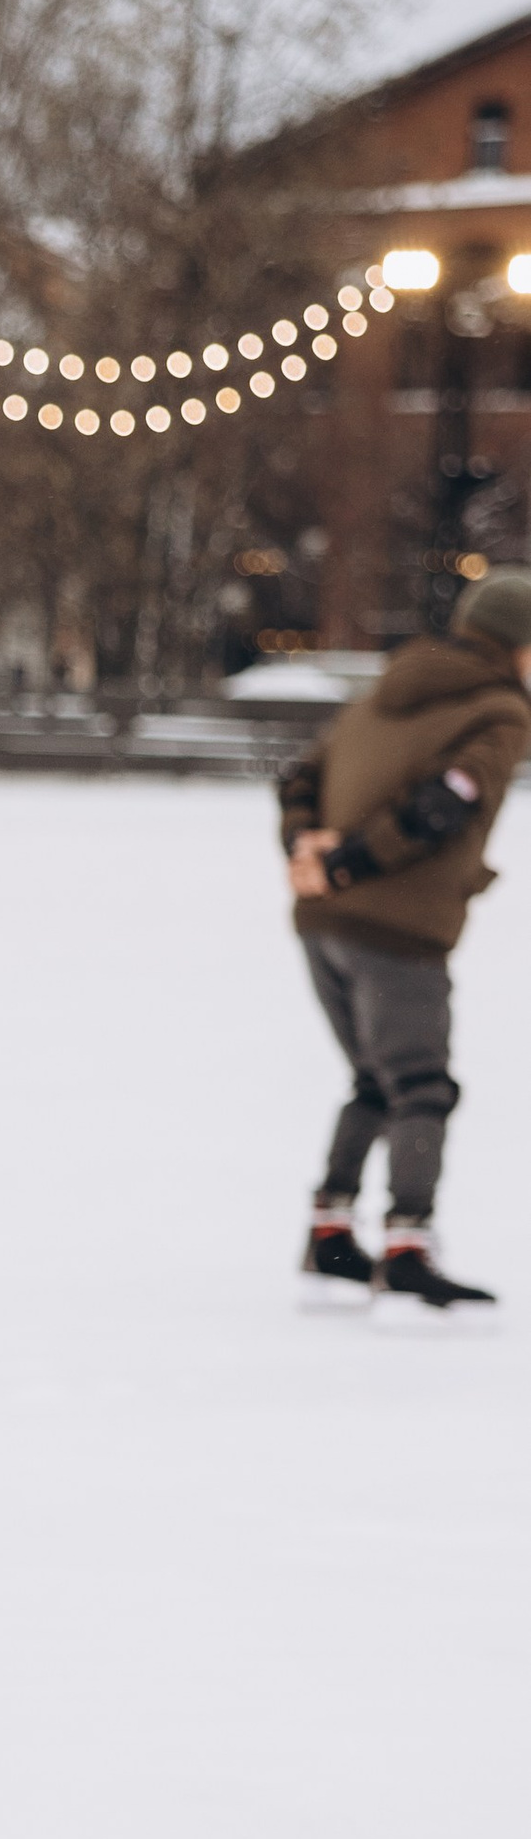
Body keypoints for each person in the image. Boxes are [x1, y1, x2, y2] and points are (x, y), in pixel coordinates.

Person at [281, 568, 531, 1327]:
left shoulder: (384, 690)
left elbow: (298, 777)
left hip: (322, 924)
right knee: (420, 1087)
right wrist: (352, 862)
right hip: (398, 928)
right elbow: (444, 805)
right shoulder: (500, 710)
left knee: (374, 1080)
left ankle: (331, 1235)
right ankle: (408, 1248)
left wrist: (307, 849)